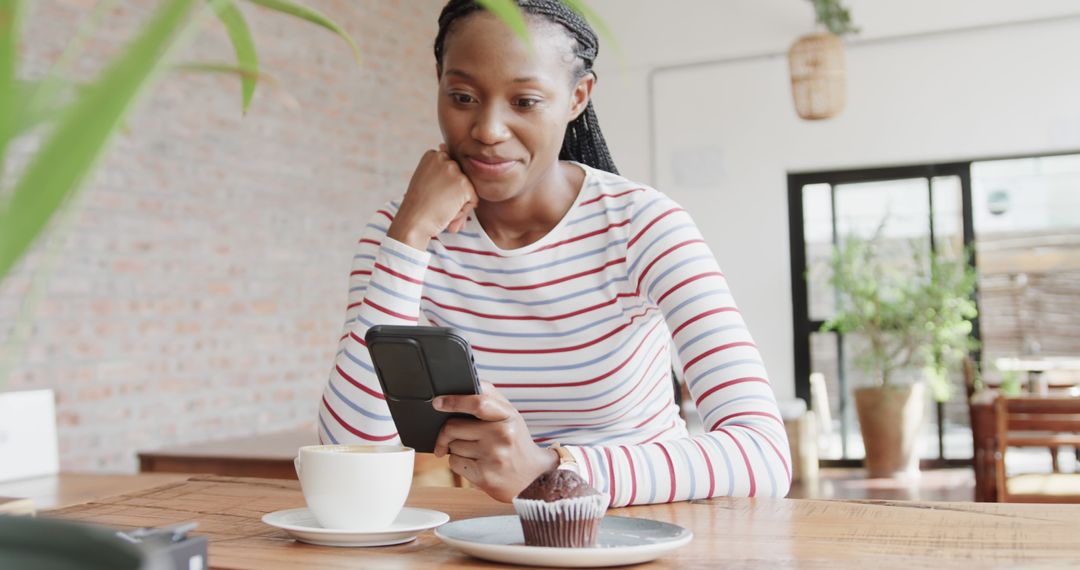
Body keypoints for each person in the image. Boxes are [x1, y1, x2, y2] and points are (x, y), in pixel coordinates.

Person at [317, 0, 790, 507]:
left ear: (576, 97)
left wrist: (552, 470)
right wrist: (408, 236)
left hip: (651, 530)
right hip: (498, 540)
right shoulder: (400, 235)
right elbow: (350, 452)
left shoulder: (644, 226)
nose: (488, 129)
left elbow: (764, 456)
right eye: (462, 96)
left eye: (525, 102)